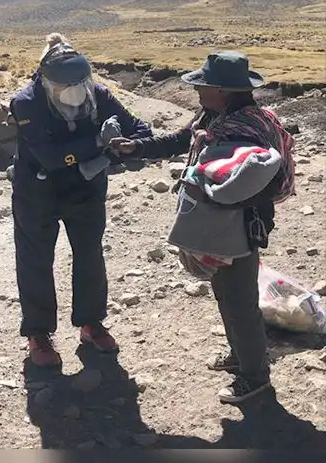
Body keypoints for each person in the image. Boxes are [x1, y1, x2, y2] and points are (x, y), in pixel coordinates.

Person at [110, 51, 295, 404]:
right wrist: (137, 147)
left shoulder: (245, 129)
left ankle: (254, 377)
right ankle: (242, 357)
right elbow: (183, 139)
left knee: (240, 300)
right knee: (225, 292)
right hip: (219, 225)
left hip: (239, 226)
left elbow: (251, 182)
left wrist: (212, 194)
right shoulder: (215, 115)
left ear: (223, 90)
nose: (197, 90)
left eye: (203, 85)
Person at [10, 33, 153, 368]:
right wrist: (100, 144)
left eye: (80, 84)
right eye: (65, 88)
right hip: (38, 192)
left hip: (86, 190)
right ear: (47, 82)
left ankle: (91, 322)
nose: (75, 94)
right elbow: (50, 157)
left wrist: (118, 153)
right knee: (35, 260)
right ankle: (39, 333)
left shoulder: (98, 95)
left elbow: (140, 130)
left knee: (89, 254)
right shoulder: (27, 102)